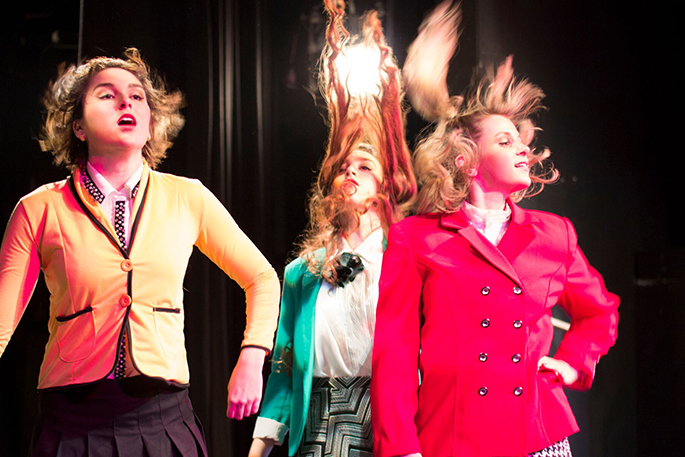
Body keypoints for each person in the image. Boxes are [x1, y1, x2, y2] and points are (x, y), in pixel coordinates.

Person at [0, 48, 280, 456]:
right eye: (106, 94)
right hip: (71, 424)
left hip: (163, 421)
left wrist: (252, 358)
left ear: (150, 125)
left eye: (136, 96)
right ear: (78, 126)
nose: (125, 102)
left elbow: (261, 278)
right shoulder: (39, 208)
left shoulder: (187, 197)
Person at [371, 2, 620, 456]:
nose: (523, 150)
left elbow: (599, 312)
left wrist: (572, 362)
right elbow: (394, 356)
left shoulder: (555, 235)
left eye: (522, 141)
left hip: (538, 438)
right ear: (466, 160)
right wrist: (401, 447)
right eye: (505, 141)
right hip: (452, 439)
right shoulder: (416, 238)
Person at [248, 1, 416, 455]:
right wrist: (259, 449)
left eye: (364, 166)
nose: (350, 173)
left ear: (385, 182)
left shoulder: (409, 261)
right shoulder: (302, 273)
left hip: (391, 426)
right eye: (343, 167)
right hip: (318, 429)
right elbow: (284, 372)